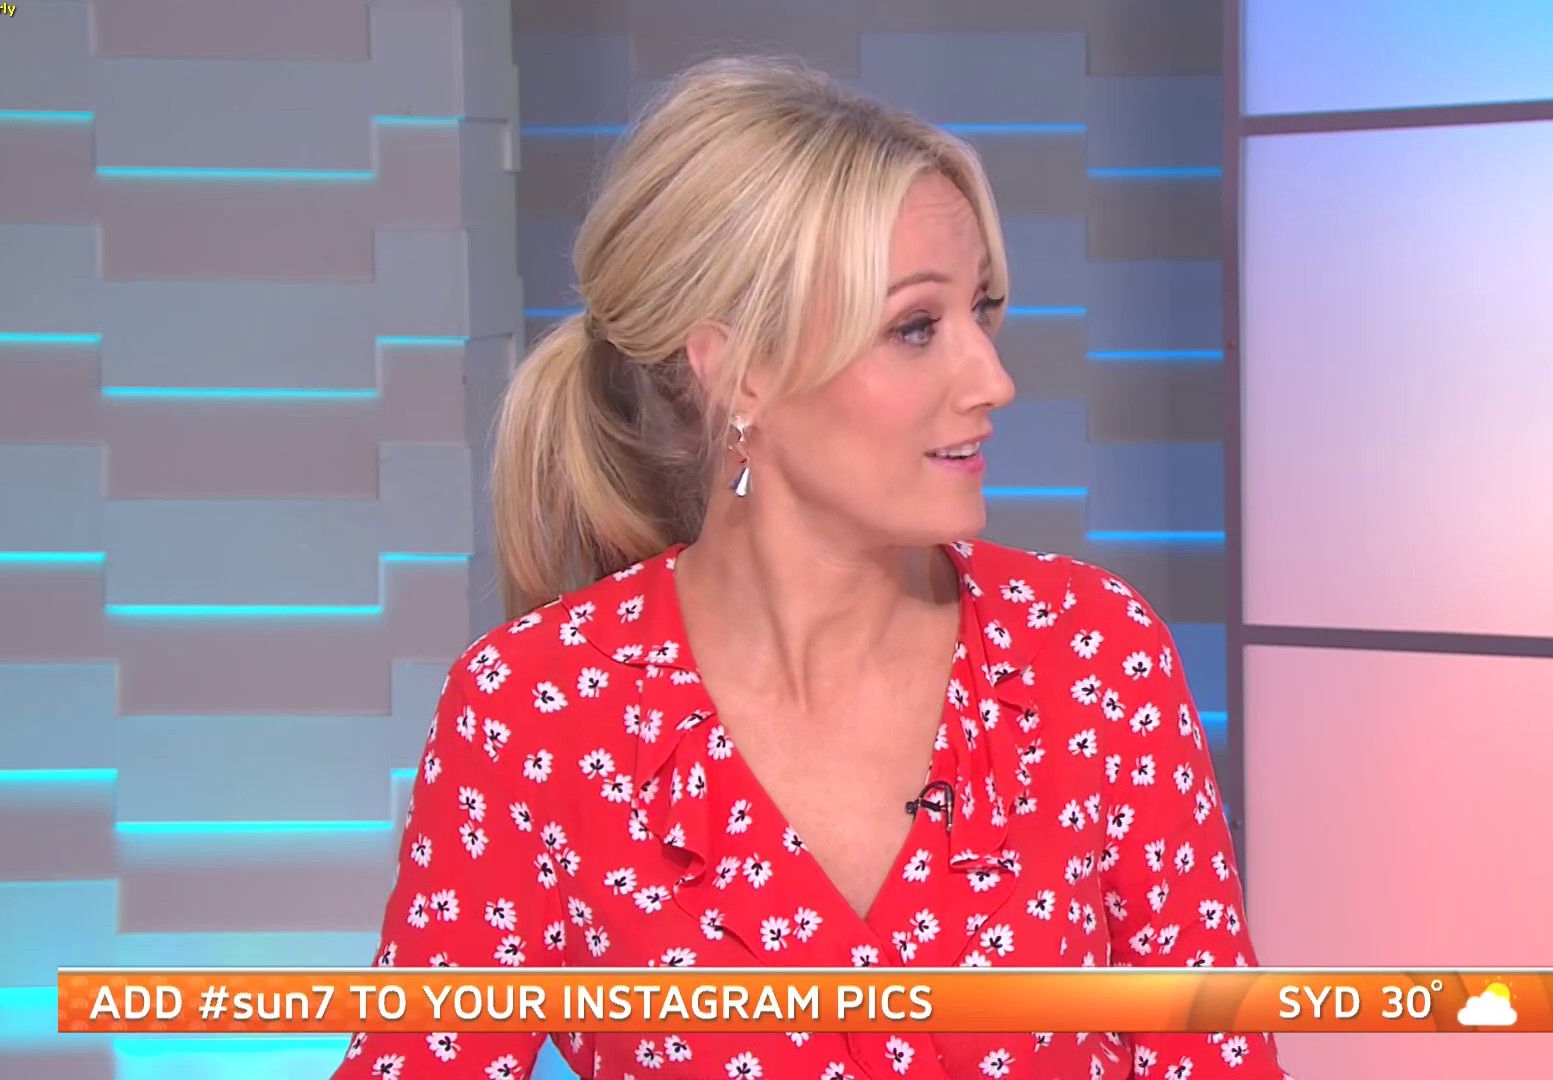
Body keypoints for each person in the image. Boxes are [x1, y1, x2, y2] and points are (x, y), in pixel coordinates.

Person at [331, 55, 1290, 1080]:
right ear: (740, 372)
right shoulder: (534, 712)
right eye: (915, 327)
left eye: (981, 311)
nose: (993, 379)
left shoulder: (1091, 656)